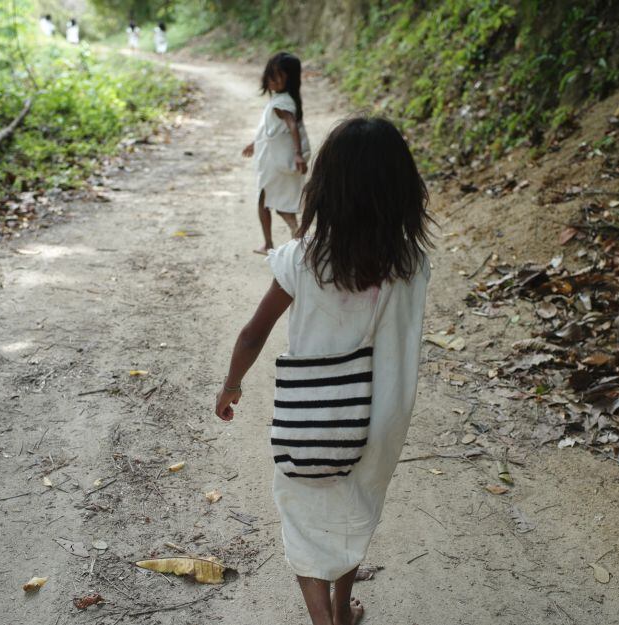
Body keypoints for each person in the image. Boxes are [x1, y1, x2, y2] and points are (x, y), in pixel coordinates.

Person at [215, 117, 432, 625]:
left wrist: (231, 385)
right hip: (381, 418)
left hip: (312, 415)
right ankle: (341, 610)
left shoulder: (301, 260)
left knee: (305, 514)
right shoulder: (412, 266)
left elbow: (252, 332)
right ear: (401, 190)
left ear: (325, 190)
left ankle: (323, 620)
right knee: (353, 511)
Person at [242, 52, 310, 255]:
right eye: (270, 75)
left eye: (277, 76)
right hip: (276, 161)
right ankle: (293, 237)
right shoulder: (285, 99)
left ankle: (274, 241)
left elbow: (291, 126)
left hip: (275, 163)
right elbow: (271, 130)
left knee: (265, 200)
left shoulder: (282, 103)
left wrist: (298, 153)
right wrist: (255, 143)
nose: (271, 80)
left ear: (289, 78)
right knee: (278, 202)